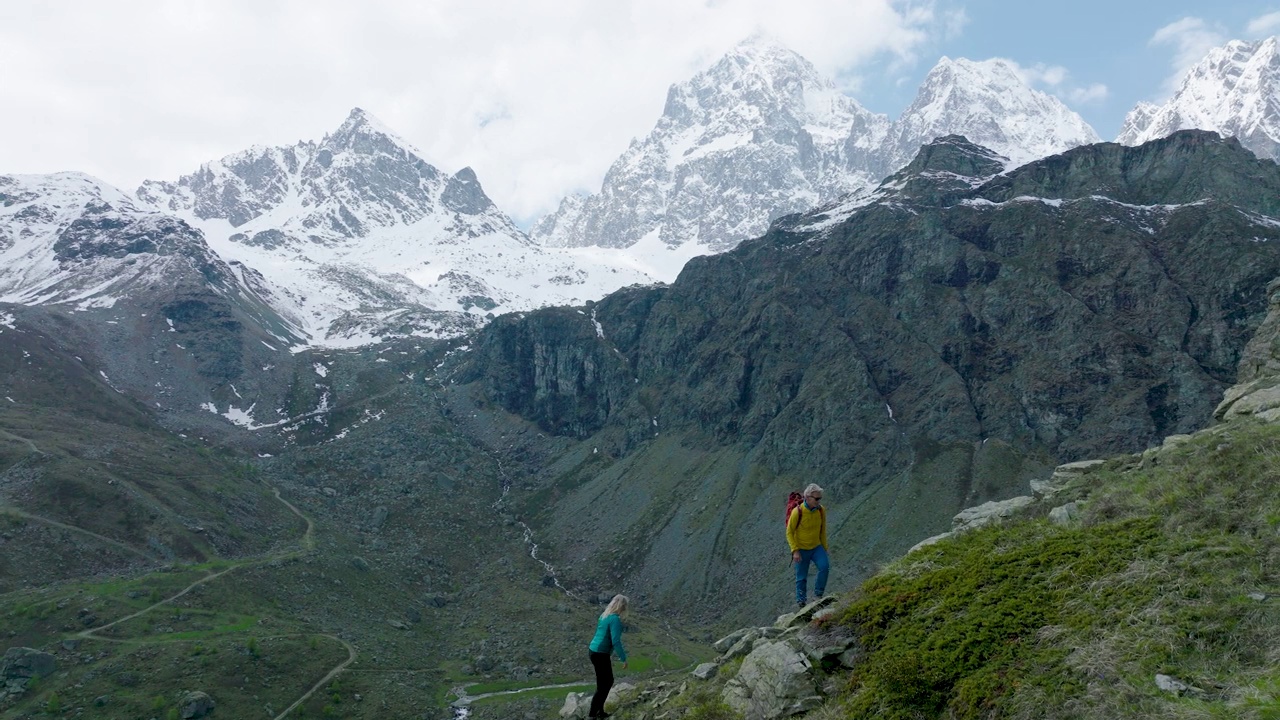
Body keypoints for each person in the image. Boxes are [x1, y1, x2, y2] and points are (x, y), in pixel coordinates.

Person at [786, 483, 829, 607]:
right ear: (808, 497)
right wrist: (795, 550)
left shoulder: (821, 510)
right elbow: (789, 532)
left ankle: (818, 596)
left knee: (824, 567)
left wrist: (824, 548)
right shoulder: (797, 512)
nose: (819, 501)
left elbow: (822, 530)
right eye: (817, 498)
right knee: (801, 578)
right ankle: (801, 603)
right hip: (802, 550)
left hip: (816, 547)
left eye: (820, 498)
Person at [587, 593, 628, 719]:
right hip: (600, 653)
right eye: (625, 606)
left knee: (604, 683)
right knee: (606, 683)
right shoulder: (614, 619)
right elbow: (615, 641)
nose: (625, 609)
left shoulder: (604, 615)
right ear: (621, 606)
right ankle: (593, 714)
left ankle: (599, 712)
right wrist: (623, 659)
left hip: (594, 650)